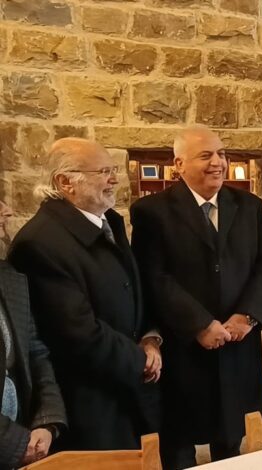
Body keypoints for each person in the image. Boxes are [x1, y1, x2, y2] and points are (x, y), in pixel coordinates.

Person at [130, 125, 262, 469]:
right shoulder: (151, 211)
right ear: (179, 164)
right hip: (184, 347)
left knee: (232, 441)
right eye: (206, 155)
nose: (218, 163)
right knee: (179, 444)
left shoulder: (249, 205)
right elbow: (154, 276)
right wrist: (199, 324)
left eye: (222, 154)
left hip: (237, 343)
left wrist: (248, 316)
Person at [8, 138, 161, 451]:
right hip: (91, 407)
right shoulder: (40, 243)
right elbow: (75, 332)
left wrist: (150, 338)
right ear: (66, 182)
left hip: (127, 389)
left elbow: (133, 292)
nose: (114, 179)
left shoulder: (108, 222)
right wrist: (141, 360)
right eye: (104, 172)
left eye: (113, 170)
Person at [0, 204, 67, 469]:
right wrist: (15, 443)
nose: (7, 210)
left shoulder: (7, 275)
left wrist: (47, 422)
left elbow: (35, 352)